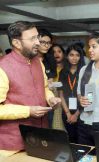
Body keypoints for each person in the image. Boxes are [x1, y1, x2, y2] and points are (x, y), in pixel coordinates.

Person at [0, 21, 61, 154]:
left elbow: (44, 87)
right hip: (12, 144)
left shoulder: (38, 62)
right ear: (16, 43)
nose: (38, 42)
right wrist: (28, 111)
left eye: (37, 37)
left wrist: (50, 98)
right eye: (32, 38)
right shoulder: (2, 67)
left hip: (40, 137)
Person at [58, 44, 85, 143]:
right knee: (71, 138)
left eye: (77, 55)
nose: (74, 58)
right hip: (66, 111)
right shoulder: (63, 72)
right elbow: (60, 94)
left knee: (81, 139)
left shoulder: (85, 72)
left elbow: (86, 96)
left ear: (80, 57)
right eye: (71, 55)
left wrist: (76, 115)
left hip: (82, 112)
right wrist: (68, 113)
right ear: (67, 56)